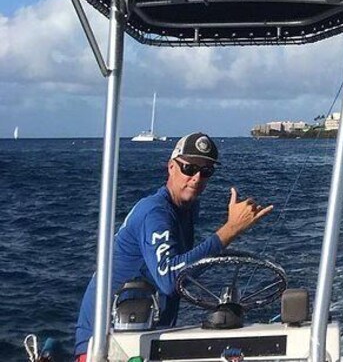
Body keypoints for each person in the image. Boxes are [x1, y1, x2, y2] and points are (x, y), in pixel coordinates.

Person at [74, 132, 273, 360]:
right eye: (189, 168)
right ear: (171, 167)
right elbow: (169, 280)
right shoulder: (155, 212)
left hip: (142, 336)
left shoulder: (186, 209)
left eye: (205, 171)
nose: (196, 178)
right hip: (107, 345)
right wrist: (230, 230)